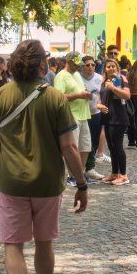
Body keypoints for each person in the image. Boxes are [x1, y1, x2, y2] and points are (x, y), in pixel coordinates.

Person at [0, 39, 88, 274]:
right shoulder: (55, 98)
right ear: (43, 65)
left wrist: (1, 173)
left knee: (13, 245)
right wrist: (81, 184)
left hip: (11, 183)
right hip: (47, 183)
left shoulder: (1, 96)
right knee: (44, 243)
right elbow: (69, 148)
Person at [53, 52, 93, 182]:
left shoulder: (76, 74)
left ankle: (80, 173)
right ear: (68, 62)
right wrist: (79, 95)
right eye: (76, 65)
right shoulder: (61, 76)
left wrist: (86, 94)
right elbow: (59, 97)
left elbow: (79, 91)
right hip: (71, 115)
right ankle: (71, 175)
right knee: (72, 147)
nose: (78, 67)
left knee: (85, 146)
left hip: (83, 114)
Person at [97, 60, 131, 186]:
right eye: (108, 66)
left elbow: (127, 95)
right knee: (111, 146)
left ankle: (123, 175)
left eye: (113, 66)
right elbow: (100, 98)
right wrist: (99, 105)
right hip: (107, 117)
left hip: (119, 117)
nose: (111, 68)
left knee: (118, 146)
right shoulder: (104, 81)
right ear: (105, 69)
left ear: (117, 67)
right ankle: (114, 173)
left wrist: (113, 88)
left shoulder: (121, 78)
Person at [80, 57, 108, 181]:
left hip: (95, 113)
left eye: (93, 65)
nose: (91, 67)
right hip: (81, 114)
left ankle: (90, 168)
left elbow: (100, 95)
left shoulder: (99, 78)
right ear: (82, 66)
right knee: (81, 143)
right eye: (88, 65)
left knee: (94, 142)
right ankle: (79, 170)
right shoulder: (77, 78)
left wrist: (101, 104)